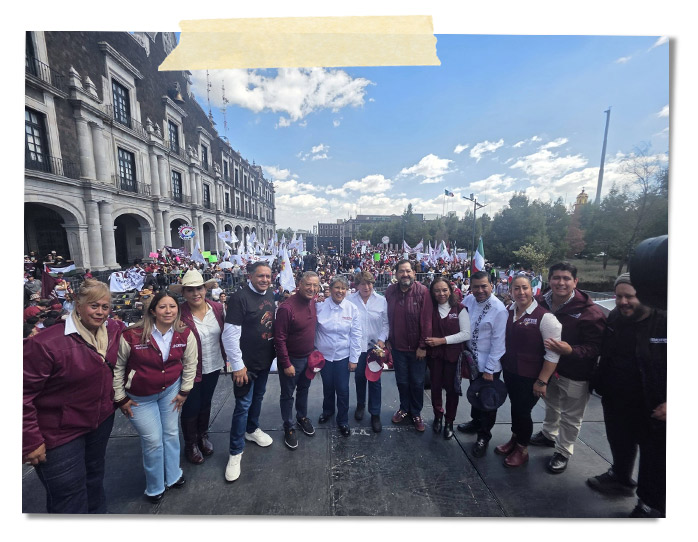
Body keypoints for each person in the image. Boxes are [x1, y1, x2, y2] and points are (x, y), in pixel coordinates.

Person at [23, 279, 124, 513]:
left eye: (105, 307)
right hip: (59, 433)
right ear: (78, 304)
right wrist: (30, 440)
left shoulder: (113, 330)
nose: (100, 312)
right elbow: (22, 394)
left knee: (95, 480)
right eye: (94, 305)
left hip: (99, 422)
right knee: (69, 496)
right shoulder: (45, 343)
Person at [587, 273, 666, 517]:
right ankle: (620, 477)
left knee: (655, 457)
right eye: (618, 296)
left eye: (629, 296)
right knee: (620, 441)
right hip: (617, 396)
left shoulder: (664, 321)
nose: (623, 302)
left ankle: (651, 504)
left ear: (643, 295)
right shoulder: (615, 317)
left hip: (653, 403)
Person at [113, 291, 198, 503]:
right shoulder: (131, 335)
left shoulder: (184, 333)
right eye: (162, 307)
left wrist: (184, 390)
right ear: (153, 311)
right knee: (152, 440)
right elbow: (118, 367)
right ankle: (155, 486)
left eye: (172, 306)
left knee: (170, 434)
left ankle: (173, 475)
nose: (168, 311)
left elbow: (190, 364)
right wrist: (120, 398)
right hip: (139, 397)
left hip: (170, 390)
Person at [529, 262, 606, 474]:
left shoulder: (590, 312)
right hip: (547, 368)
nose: (560, 283)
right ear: (549, 280)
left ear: (575, 282)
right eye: (556, 278)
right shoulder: (540, 302)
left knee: (571, 416)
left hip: (576, 372)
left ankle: (563, 451)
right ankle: (548, 434)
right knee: (551, 404)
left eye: (566, 278)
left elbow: (596, 347)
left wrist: (571, 350)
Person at [494, 274, 562, 467]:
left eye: (524, 288)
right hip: (511, 371)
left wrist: (542, 380)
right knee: (515, 407)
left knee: (523, 411)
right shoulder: (508, 311)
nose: (521, 292)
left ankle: (522, 449)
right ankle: (515, 439)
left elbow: (552, 354)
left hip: (531, 375)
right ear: (511, 291)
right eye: (516, 288)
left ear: (533, 290)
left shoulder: (546, 318)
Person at [222, 262, 276, 482]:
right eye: (260, 276)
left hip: (264, 359)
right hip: (246, 364)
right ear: (250, 276)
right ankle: (235, 452)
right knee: (243, 405)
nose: (265, 279)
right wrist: (238, 365)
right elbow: (230, 334)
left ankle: (252, 429)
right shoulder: (239, 298)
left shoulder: (271, 294)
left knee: (259, 398)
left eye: (268, 276)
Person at [171, 270, 226, 465]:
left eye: (199, 288)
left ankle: (202, 435)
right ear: (184, 293)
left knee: (206, 402)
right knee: (191, 406)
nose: (196, 293)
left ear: (205, 289)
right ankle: (190, 443)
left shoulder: (218, 309)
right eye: (190, 290)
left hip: (213, 364)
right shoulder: (178, 312)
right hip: (189, 368)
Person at [456, 271, 508, 457]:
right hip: (472, 360)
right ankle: (475, 422)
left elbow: (498, 342)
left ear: (491, 285)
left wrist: (490, 369)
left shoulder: (499, 309)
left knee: (488, 400)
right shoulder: (469, 300)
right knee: (475, 393)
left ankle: (484, 436)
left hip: (489, 363)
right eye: (476, 286)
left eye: (484, 286)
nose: (480, 290)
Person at [385, 259, 433, 431]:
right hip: (397, 347)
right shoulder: (390, 291)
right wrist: (387, 339)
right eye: (401, 271)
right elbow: (386, 318)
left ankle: (416, 412)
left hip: (417, 349)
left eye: (408, 271)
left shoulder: (422, 291)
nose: (405, 274)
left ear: (413, 273)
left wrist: (422, 346)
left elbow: (427, 321)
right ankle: (404, 408)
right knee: (402, 381)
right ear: (396, 274)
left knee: (417, 381)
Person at [274, 271, 320, 449]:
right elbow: (279, 339)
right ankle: (289, 426)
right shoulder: (287, 308)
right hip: (291, 359)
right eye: (308, 284)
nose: (312, 288)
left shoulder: (313, 302)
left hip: (308, 357)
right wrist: (286, 363)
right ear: (299, 284)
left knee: (304, 390)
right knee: (287, 395)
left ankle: (301, 417)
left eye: (315, 285)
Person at [424, 278, 471, 439]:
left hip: (453, 355)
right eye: (437, 290)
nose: (441, 293)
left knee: (452, 390)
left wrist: (442, 340)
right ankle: (438, 416)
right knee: (435, 388)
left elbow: (466, 334)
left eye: (444, 290)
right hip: (435, 356)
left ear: (450, 291)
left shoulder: (460, 309)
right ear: (432, 293)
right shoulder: (430, 309)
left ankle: (450, 421)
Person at [315, 276, 362, 437]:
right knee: (327, 386)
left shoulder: (352, 308)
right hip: (324, 356)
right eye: (337, 287)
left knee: (342, 389)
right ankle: (327, 411)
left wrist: (354, 359)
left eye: (343, 288)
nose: (340, 291)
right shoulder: (319, 306)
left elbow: (356, 335)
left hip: (343, 356)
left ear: (347, 290)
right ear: (330, 288)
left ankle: (343, 420)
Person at [347, 271, 389, 433]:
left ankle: (375, 413)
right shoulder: (350, 300)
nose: (367, 287)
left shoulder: (381, 301)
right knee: (359, 378)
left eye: (369, 283)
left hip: (374, 348)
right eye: (363, 284)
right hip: (357, 347)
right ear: (357, 285)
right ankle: (360, 405)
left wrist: (382, 339)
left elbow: (386, 324)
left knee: (375, 381)